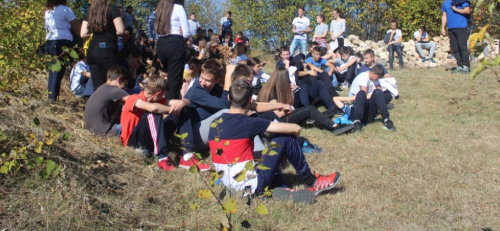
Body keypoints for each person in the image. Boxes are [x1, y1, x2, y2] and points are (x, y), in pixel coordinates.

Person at [208, 79, 341, 204]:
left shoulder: (215, 123)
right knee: (284, 137)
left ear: (228, 98)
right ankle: (311, 181)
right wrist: (291, 145)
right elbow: (295, 128)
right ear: (250, 100)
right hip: (249, 188)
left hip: (229, 185)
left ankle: (280, 186)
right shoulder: (249, 123)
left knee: (265, 155)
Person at [120, 74, 209, 172]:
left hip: (150, 138)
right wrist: (172, 110)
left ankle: (188, 156)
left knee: (184, 110)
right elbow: (153, 108)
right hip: (134, 141)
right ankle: (162, 158)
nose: (163, 98)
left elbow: (183, 102)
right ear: (157, 94)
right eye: (163, 95)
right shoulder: (134, 98)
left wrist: (182, 103)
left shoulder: (157, 98)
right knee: (154, 113)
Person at [81, 0, 125, 91]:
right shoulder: (111, 8)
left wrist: (96, 29)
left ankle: (98, 107)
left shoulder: (90, 9)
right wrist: (109, 32)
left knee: (98, 87)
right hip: (107, 51)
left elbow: (83, 33)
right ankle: (113, 107)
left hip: (92, 50)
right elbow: (120, 30)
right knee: (114, 84)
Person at [155, 0, 191, 100]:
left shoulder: (160, 8)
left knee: (166, 76)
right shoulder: (179, 8)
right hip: (175, 44)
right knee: (174, 82)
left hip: (161, 43)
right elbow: (186, 33)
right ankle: (170, 112)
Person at [44, 0, 80, 102]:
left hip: (50, 40)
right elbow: (77, 27)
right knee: (58, 70)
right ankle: (53, 98)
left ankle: (53, 96)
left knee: (53, 70)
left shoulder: (48, 11)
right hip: (62, 41)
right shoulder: (65, 9)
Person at [84, 65, 130, 136]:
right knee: (138, 123)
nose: (124, 89)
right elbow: (135, 101)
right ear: (119, 79)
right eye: (125, 85)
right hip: (105, 132)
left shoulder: (102, 87)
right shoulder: (114, 90)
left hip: (93, 129)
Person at [349, 64, 396, 132]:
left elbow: (380, 91)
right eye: (377, 77)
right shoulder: (363, 77)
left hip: (368, 114)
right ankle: (357, 121)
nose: (378, 79)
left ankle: (387, 120)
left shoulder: (374, 78)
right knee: (362, 93)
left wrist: (377, 95)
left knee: (378, 92)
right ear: (373, 73)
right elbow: (364, 96)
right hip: (358, 107)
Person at [441, 0, 471, 73]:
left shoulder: (462, 0)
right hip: (451, 28)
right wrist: (443, 28)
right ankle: (460, 66)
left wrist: (456, 9)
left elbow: (467, 10)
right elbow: (444, 16)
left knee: (462, 47)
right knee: (455, 48)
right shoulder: (446, 3)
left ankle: (466, 67)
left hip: (461, 27)